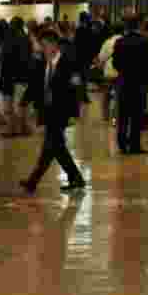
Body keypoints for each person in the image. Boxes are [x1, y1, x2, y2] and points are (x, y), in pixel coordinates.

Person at [20, 30, 86, 194]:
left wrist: (74, 113)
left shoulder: (69, 62)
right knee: (55, 148)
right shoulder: (42, 62)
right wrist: (24, 101)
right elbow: (35, 84)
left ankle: (33, 181)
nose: (43, 49)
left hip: (61, 112)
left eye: (45, 46)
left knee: (52, 146)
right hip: (47, 110)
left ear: (54, 45)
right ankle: (75, 177)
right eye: (41, 46)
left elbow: (77, 89)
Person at [113, 15, 148, 155]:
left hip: (124, 81)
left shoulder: (119, 42)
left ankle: (122, 144)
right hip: (140, 83)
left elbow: (116, 63)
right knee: (137, 115)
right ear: (138, 26)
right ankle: (135, 145)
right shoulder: (145, 42)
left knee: (123, 115)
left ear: (126, 27)